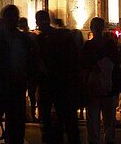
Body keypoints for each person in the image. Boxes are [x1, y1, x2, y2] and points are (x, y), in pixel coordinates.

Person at [0, 5, 37, 144]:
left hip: (15, 88)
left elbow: (31, 61)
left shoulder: (22, 40)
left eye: (14, 17)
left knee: (15, 129)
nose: (12, 20)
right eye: (9, 17)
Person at [34, 10, 80, 144]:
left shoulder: (41, 40)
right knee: (66, 118)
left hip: (48, 84)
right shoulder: (63, 36)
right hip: (62, 83)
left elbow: (37, 62)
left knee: (49, 119)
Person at [80, 17, 121, 144]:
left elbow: (84, 66)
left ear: (92, 28)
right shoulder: (110, 45)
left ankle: (94, 141)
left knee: (93, 120)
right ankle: (109, 140)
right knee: (109, 119)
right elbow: (117, 63)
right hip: (109, 85)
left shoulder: (88, 45)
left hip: (93, 86)